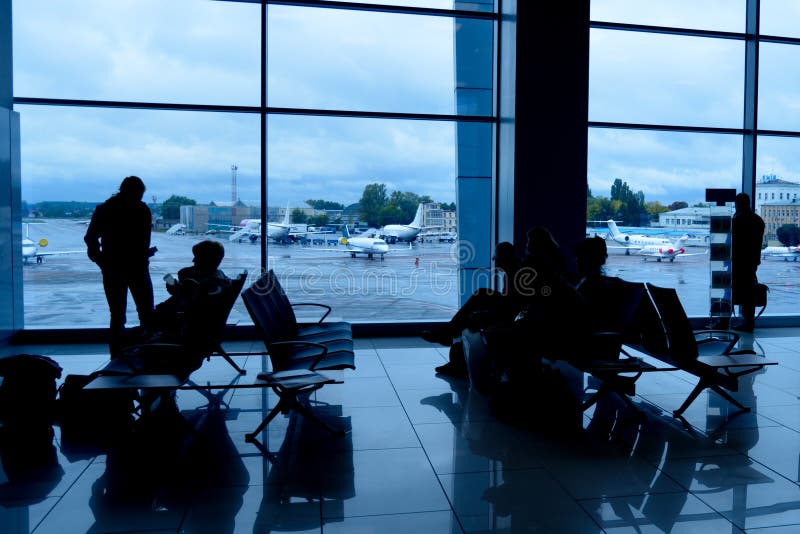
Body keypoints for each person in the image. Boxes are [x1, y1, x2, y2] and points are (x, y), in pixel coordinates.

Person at [422, 241, 520, 377]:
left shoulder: (515, 276)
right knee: (479, 298)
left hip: (507, 316)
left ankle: (449, 339)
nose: (493, 260)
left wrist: (486, 314)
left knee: (477, 302)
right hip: (507, 312)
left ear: (503, 258)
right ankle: (450, 343)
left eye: (495, 257)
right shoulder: (513, 273)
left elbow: (510, 307)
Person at [84, 176, 155, 357]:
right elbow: (141, 242)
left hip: (113, 269)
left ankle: (116, 354)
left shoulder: (105, 209)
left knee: (117, 314)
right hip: (138, 268)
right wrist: (143, 254)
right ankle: (149, 351)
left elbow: (90, 238)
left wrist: (101, 260)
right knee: (146, 312)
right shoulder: (142, 210)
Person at [150, 240, 232, 341]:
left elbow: (186, 301)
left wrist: (178, 288)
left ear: (206, 260)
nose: (193, 260)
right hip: (205, 329)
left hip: (189, 330)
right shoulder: (219, 278)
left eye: (197, 257)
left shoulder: (198, 283)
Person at [731, 192, 765, 333]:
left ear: (738, 204)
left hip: (739, 261)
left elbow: (733, 241)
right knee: (749, 292)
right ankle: (749, 322)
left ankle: (744, 322)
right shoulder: (758, 220)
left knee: (740, 291)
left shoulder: (738, 219)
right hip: (752, 261)